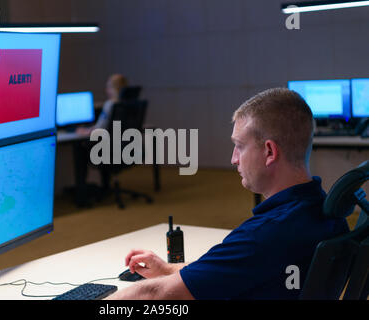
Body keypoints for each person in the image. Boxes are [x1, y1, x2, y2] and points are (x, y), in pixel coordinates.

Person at [106, 88, 349, 300]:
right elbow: (237, 267)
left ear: (269, 152)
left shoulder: (263, 234)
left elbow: (155, 295)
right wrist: (169, 269)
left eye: (239, 146)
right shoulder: (327, 211)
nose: (233, 159)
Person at [72, 74, 128, 206]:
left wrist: (84, 131)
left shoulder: (110, 105)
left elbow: (99, 128)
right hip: (126, 149)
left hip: (108, 151)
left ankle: (81, 194)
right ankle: (105, 186)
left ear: (114, 88)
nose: (106, 89)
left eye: (108, 86)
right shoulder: (128, 104)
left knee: (80, 147)